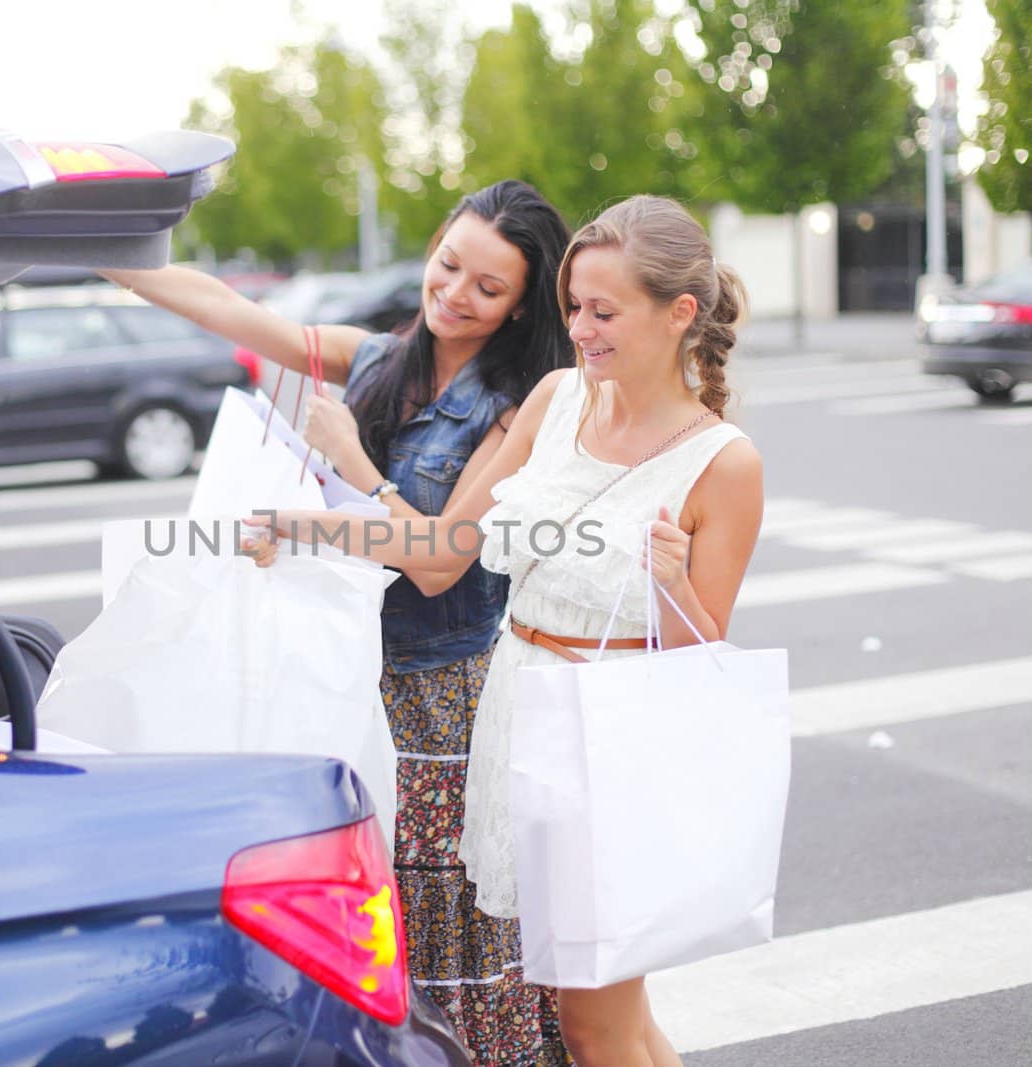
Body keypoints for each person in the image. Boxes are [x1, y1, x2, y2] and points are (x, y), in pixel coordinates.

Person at [245, 194, 764, 1067]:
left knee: (594, 1024)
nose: (581, 330)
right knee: (601, 1014)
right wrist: (300, 523)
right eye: (573, 307)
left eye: (604, 311)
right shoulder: (559, 397)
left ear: (680, 314)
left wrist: (671, 582)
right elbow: (444, 543)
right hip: (515, 722)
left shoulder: (725, 462)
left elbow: (699, 664)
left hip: (612, 746)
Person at [102, 180, 577, 1065]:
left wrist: (352, 463)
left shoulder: (511, 408)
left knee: (445, 929)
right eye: (449, 265)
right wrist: (115, 263)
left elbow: (440, 558)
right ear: (433, 248)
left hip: (442, 705)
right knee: (360, 903)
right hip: (345, 669)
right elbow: (235, 312)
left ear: (518, 307)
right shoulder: (375, 362)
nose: (455, 294)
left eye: (488, 287)